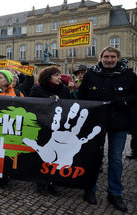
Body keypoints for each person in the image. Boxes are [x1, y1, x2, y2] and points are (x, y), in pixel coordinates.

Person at [78, 46, 136, 212]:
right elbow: (82, 97)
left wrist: (125, 101)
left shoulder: (129, 75)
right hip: (95, 123)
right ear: (101, 58)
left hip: (119, 123)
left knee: (116, 158)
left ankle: (115, 193)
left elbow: (135, 96)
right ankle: (90, 188)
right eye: (106, 57)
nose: (109, 60)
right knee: (93, 156)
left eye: (112, 57)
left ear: (118, 58)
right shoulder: (90, 74)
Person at [29, 66, 71, 196]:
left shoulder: (64, 90)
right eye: (56, 75)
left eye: (59, 75)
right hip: (43, 128)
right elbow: (31, 105)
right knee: (42, 156)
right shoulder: (37, 89)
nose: (60, 77)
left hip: (59, 129)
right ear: (48, 76)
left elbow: (70, 106)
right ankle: (41, 182)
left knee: (57, 157)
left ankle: (53, 183)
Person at [0, 69, 24, 190]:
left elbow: (24, 109)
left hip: (9, 130)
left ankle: (5, 180)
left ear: (8, 80)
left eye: (1, 77)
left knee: (7, 156)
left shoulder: (17, 93)